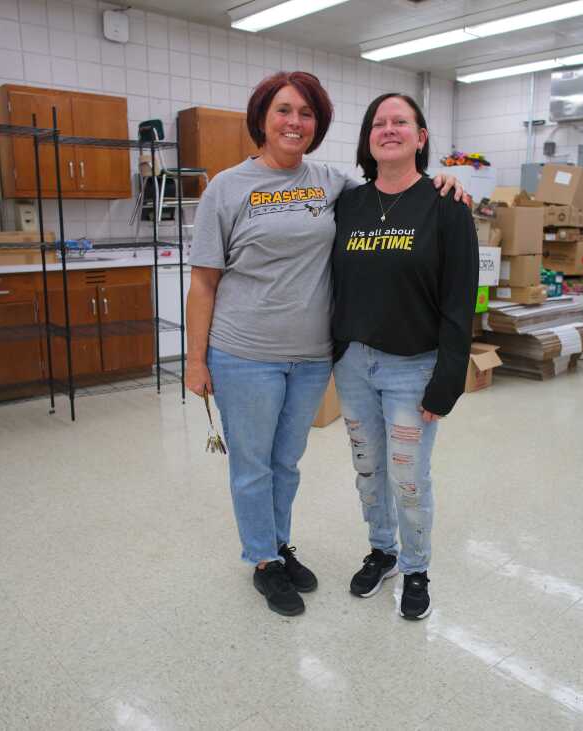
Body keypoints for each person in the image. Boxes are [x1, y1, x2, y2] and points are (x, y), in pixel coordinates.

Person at [186, 72, 467, 617]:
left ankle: (297, 548)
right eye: (284, 111)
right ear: (262, 119)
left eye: (306, 114)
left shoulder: (332, 184)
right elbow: (203, 281)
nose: (295, 122)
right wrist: (195, 360)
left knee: (288, 463)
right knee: (253, 464)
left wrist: (449, 180)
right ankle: (265, 560)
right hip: (245, 353)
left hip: (314, 358)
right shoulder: (228, 187)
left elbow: (402, 194)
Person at [331, 93, 478, 620]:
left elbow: (462, 298)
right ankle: (383, 551)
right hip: (353, 365)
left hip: (413, 368)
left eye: (401, 122)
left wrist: (449, 379)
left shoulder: (446, 205)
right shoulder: (348, 203)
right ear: (368, 138)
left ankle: (417, 569)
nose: (388, 129)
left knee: (408, 477)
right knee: (368, 470)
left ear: (420, 137)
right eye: (378, 122)